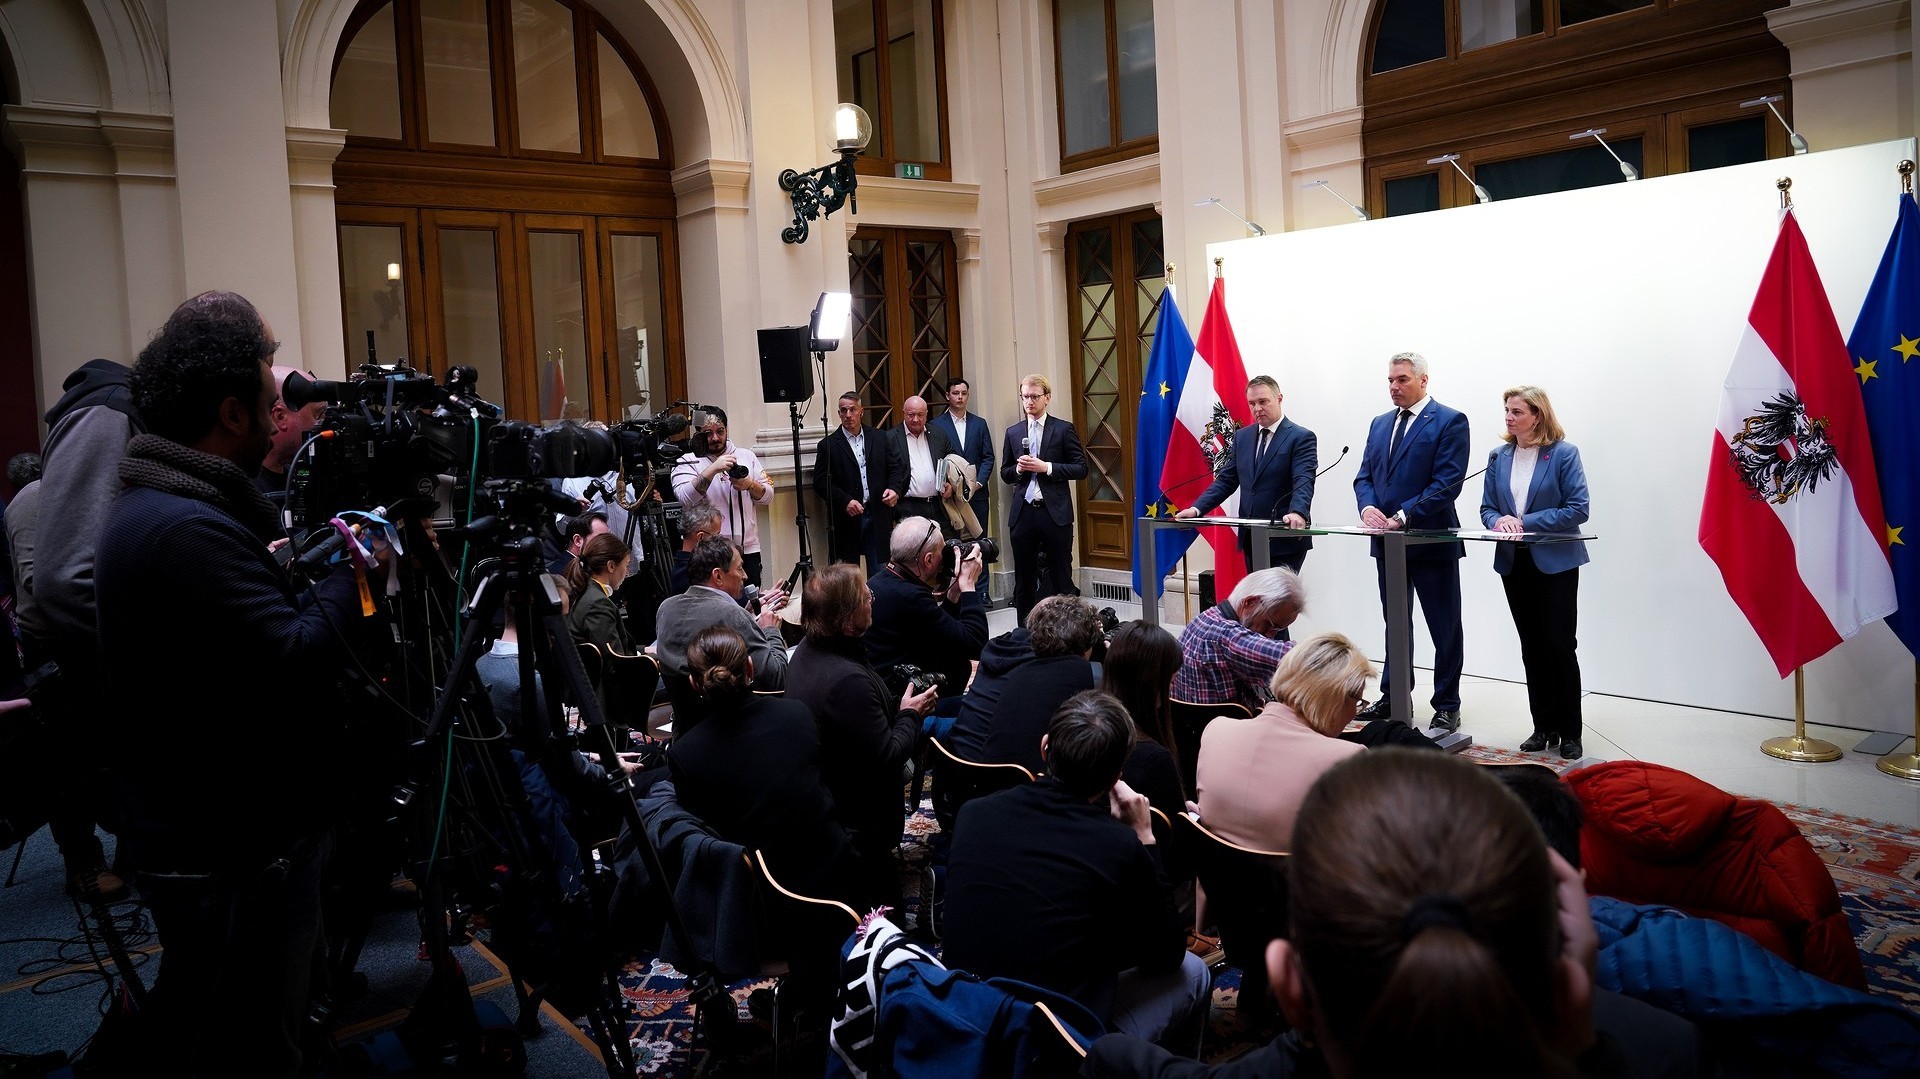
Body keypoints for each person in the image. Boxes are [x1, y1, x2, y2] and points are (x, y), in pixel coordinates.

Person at [95, 290, 381, 1077]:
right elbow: (294, 654)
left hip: (204, 828)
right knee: (255, 1040)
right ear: (229, 413)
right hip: (230, 845)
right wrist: (362, 578)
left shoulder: (162, 500)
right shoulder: (188, 525)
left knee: (220, 1019)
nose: (274, 409)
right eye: (264, 395)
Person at [1086, 749, 1671, 1078]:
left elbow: (1104, 1057)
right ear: (1564, 975)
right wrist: (1583, 1046)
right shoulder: (1671, 1051)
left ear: (1291, 983)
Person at [942, 691, 1209, 1046]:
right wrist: (1145, 837)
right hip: (1052, 1039)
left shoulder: (973, 813)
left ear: (1044, 748)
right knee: (1194, 972)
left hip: (963, 1010)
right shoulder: (1119, 845)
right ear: (1116, 776)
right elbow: (1167, 954)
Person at [668, 625, 866, 908]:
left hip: (759, 904)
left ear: (694, 684)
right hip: (838, 877)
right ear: (750, 668)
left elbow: (711, 841)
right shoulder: (796, 714)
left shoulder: (685, 755)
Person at [783, 563, 938, 899]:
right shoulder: (846, 681)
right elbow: (888, 757)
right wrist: (911, 714)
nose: (872, 597)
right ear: (848, 622)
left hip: (827, 801)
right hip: (859, 824)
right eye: (866, 597)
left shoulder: (808, 651)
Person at [1354, 351, 1470, 735]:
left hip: (1429, 540)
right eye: (1390, 380)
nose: (1394, 387)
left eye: (1402, 379)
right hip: (1388, 543)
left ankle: (1447, 704)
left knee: (1444, 625)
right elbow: (1364, 476)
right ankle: (1394, 695)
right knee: (1395, 623)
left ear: (1423, 380)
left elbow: (1447, 483)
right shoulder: (1379, 423)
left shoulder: (1450, 421)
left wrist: (1402, 515)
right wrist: (1368, 507)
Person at [1481, 385, 1591, 761]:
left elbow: (1578, 509)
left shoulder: (1563, 454)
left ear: (1537, 416)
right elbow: (1487, 509)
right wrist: (1499, 522)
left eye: (1516, 411)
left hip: (1556, 562)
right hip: (1515, 563)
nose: (1509, 418)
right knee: (1531, 648)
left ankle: (1571, 732)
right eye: (1507, 411)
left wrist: (1524, 521)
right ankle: (1542, 727)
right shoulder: (1498, 456)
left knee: (1559, 646)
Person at [1194, 632, 1370, 852]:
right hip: (1303, 885)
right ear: (1337, 698)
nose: (1355, 713)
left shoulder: (1216, 731)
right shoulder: (1348, 760)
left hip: (1215, 886)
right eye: (1359, 702)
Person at [1175, 375, 1318, 584]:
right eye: (1252, 403)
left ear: (1279, 399)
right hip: (1252, 536)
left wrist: (1297, 511)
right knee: (1257, 605)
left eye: (1263, 402)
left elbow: (1303, 480)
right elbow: (1226, 481)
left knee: (1276, 607)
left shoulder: (1300, 437)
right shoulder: (1242, 437)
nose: (1257, 408)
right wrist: (1197, 509)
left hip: (1284, 536)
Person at [864, 516, 987, 708]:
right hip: (905, 706)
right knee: (985, 706)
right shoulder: (911, 596)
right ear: (928, 560)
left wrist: (954, 593)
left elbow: (940, 629)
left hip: (884, 691)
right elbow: (975, 643)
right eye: (942, 551)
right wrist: (969, 585)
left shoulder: (879, 580)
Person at [981, 594, 1103, 775]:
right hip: (1036, 783)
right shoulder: (1087, 674)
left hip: (989, 779)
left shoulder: (1018, 674)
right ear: (1086, 646)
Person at [652, 536, 788, 695]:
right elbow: (776, 680)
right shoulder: (733, 616)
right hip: (731, 717)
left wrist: (746, 614)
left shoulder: (665, 608)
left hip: (683, 717)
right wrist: (771, 630)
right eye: (739, 568)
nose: (745, 576)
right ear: (717, 576)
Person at [1000, 374, 1086, 624]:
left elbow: (1081, 468)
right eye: (1025, 397)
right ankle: (1024, 634)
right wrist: (1018, 470)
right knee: (1024, 579)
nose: (1029, 402)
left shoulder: (1062, 429)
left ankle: (1069, 630)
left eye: (1034, 397)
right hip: (1024, 513)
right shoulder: (1013, 432)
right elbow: (1005, 473)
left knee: (1061, 576)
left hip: (1054, 512)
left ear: (1047, 398)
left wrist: (1046, 467)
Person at [1169, 566, 1304, 714]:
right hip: (1228, 733)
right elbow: (1306, 659)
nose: (1270, 636)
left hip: (1192, 731)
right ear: (1250, 602)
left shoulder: (1201, 620)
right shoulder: (1229, 637)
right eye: (1270, 625)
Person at [671, 406, 774, 586]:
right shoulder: (687, 460)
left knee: (749, 605)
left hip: (747, 551)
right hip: (707, 554)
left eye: (720, 431)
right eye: (708, 433)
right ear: (698, 434)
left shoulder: (746, 456)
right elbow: (685, 498)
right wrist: (713, 469)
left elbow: (768, 496)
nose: (715, 438)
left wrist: (749, 484)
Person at [1100, 621, 1188, 820]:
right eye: (1171, 682)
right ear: (1152, 684)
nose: (1171, 691)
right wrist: (1182, 812)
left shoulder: (1084, 732)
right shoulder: (1154, 760)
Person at [815, 391, 903, 572]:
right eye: (843, 410)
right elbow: (821, 482)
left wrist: (894, 489)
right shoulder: (829, 445)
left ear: (861, 411)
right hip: (848, 517)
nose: (848, 415)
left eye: (852, 410)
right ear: (838, 414)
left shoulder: (878, 437)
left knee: (880, 569)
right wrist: (845, 501)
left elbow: (894, 468)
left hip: (878, 511)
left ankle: (877, 601)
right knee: (848, 573)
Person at [929, 377, 994, 538]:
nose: (960, 397)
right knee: (956, 546)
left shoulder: (980, 424)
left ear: (968, 395)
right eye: (955, 393)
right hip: (951, 495)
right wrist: (948, 485)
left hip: (978, 495)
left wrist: (977, 483)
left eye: (964, 393)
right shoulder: (936, 425)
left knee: (980, 545)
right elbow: (937, 460)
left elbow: (988, 457)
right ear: (947, 396)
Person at [254, 364, 325, 499]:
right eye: (319, 414)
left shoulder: (299, 475)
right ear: (279, 417)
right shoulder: (247, 493)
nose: (325, 423)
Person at [886, 395, 954, 534]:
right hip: (908, 507)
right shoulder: (890, 438)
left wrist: (950, 483)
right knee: (913, 552)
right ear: (904, 413)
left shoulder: (938, 434)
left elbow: (951, 460)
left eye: (920, 415)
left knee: (944, 550)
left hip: (938, 505)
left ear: (926, 414)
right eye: (911, 415)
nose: (915, 419)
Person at [566, 531, 638, 654]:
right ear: (611, 566)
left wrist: (645, 651)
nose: (627, 573)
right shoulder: (598, 603)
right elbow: (615, 662)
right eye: (626, 565)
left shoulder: (585, 591)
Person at [666, 496, 723, 597]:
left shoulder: (682, 566)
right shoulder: (692, 571)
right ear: (701, 537)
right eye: (716, 535)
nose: (719, 540)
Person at [548, 509, 610, 576]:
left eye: (607, 538)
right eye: (599, 539)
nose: (606, 544)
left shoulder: (590, 569)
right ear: (577, 540)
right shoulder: (559, 574)